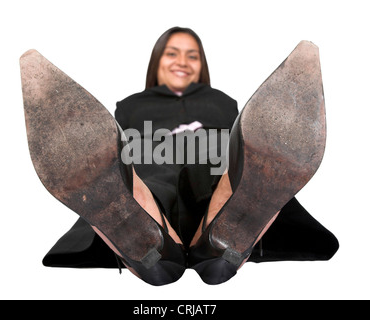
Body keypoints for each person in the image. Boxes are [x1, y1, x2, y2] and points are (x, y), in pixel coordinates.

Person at [21, 27, 339, 286]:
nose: (181, 61)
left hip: (206, 168)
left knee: (209, 170)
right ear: (157, 61)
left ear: (202, 64)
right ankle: (218, 242)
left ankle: (154, 244)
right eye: (172, 53)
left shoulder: (221, 102)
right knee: (152, 175)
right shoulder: (132, 105)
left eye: (192, 55)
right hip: (152, 168)